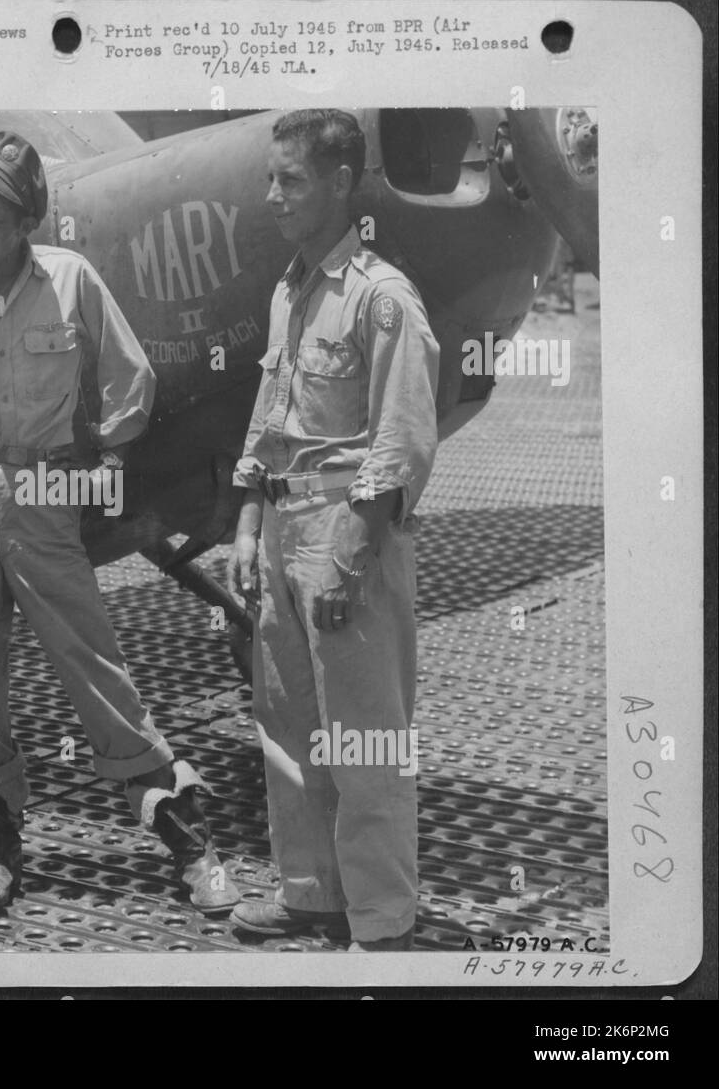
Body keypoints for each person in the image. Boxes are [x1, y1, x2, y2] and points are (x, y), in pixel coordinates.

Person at [0, 131, 241, 914]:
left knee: (95, 669)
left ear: (26, 223)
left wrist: (109, 459)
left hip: (44, 495)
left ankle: (191, 844)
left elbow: (130, 378)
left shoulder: (71, 282)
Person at [226, 110, 440, 951]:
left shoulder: (382, 298)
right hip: (283, 528)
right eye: (270, 177)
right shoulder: (291, 288)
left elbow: (402, 438)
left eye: (292, 179)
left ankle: (383, 923)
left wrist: (350, 557)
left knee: (366, 735)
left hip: (346, 534)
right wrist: (248, 520)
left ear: (343, 183)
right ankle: (310, 894)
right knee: (287, 728)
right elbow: (268, 418)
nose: (272, 194)